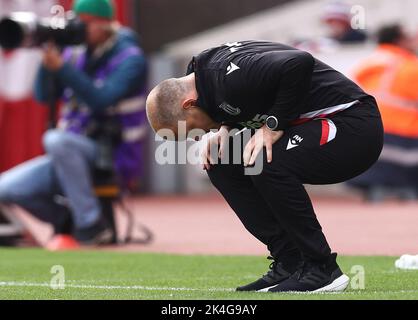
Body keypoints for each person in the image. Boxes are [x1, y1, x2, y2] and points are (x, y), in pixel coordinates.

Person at [146, 40, 383, 293]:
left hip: (353, 126)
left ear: (188, 104)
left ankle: (321, 268)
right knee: (221, 162)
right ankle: (290, 261)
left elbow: (298, 63)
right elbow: (244, 98)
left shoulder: (229, 77)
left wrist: (273, 126)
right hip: (319, 125)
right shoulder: (202, 75)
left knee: (265, 163)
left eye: (189, 129)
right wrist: (226, 126)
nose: (195, 136)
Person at [0, 0, 148, 249]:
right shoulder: (74, 52)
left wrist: (63, 69)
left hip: (114, 155)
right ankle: (68, 221)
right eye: (76, 22)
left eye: (85, 23)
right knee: (6, 189)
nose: (79, 29)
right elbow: (42, 95)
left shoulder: (130, 58)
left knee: (56, 139)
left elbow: (101, 99)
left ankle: (91, 226)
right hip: (70, 151)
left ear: (105, 25)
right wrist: (48, 60)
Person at [348, 24, 418, 201]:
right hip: (402, 133)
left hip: (366, 129)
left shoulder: (369, 62)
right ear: (399, 40)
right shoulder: (409, 66)